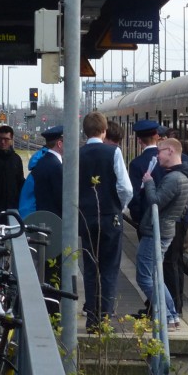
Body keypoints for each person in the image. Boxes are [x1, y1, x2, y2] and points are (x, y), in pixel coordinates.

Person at [77, 111, 133, 331]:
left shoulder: (77, 154)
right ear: (104, 130)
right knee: (109, 269)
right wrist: (119, 207)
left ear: (85, 131)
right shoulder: (113, 152)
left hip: (86, 218)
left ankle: (91, 318)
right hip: (110, 218)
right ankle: (105, 318)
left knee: (90, 268)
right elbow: (125, 188)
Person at [139, 137, 188, 329]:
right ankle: (171, 315)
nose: (158, 156)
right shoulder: (186, 176)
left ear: (170, 151)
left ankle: (168, 316)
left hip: (156, 231)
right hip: (166, 230)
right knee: (155, 276)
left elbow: (155, 201)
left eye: (160, 151)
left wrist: (148, 182)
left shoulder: (174, 179)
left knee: (145, 277)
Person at [128, 120, 172, 322]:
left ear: (139, 140)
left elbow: (134, 198)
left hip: (147, 224)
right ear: (157, 136)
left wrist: (138, 219)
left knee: (148, 272)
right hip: (169, 223)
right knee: (158, 270)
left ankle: (166, 313)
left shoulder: (137, 164)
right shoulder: (171, 161)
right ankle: (166, 313)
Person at [158, 125, 188, 318]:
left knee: (169, 263)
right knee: (174, 263)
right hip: (179, 220)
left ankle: (172, 309)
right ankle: (175, 306)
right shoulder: (184, 168)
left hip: (173, 222)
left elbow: (157, 200)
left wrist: (149, 184)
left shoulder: (176, 173)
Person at [28, 126, 64, 217]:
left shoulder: (42, 161)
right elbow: (61, 199)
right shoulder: (56, 166)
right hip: (54, 219)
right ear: (60, 144)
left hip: (43, 216)